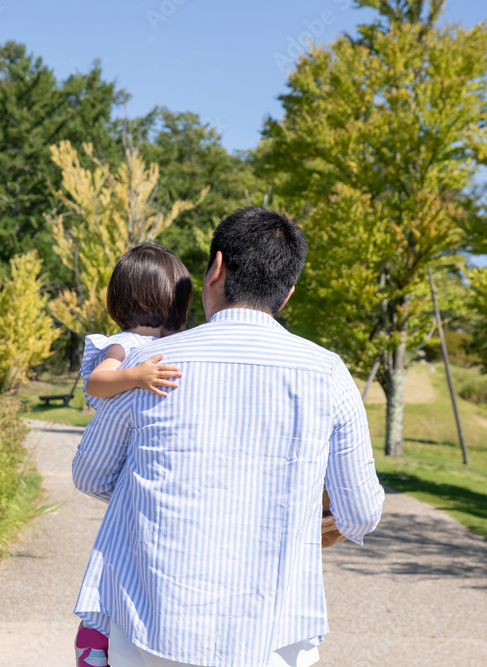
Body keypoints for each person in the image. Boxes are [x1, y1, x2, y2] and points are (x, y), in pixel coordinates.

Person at [72, 207, 385, 667]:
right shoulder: (328, 374)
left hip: (149, 627)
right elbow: (359, 513)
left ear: (215, 269)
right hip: (273, 638)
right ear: (288, 294)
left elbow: (91, 475)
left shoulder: (149, 366)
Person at [74, 243, 194, 667]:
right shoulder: (124, 344)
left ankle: (99, 639)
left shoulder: (173, 344)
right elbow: (96, 383)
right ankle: (94, 642)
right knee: (117, 561)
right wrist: (136, 376)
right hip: (125, 446)